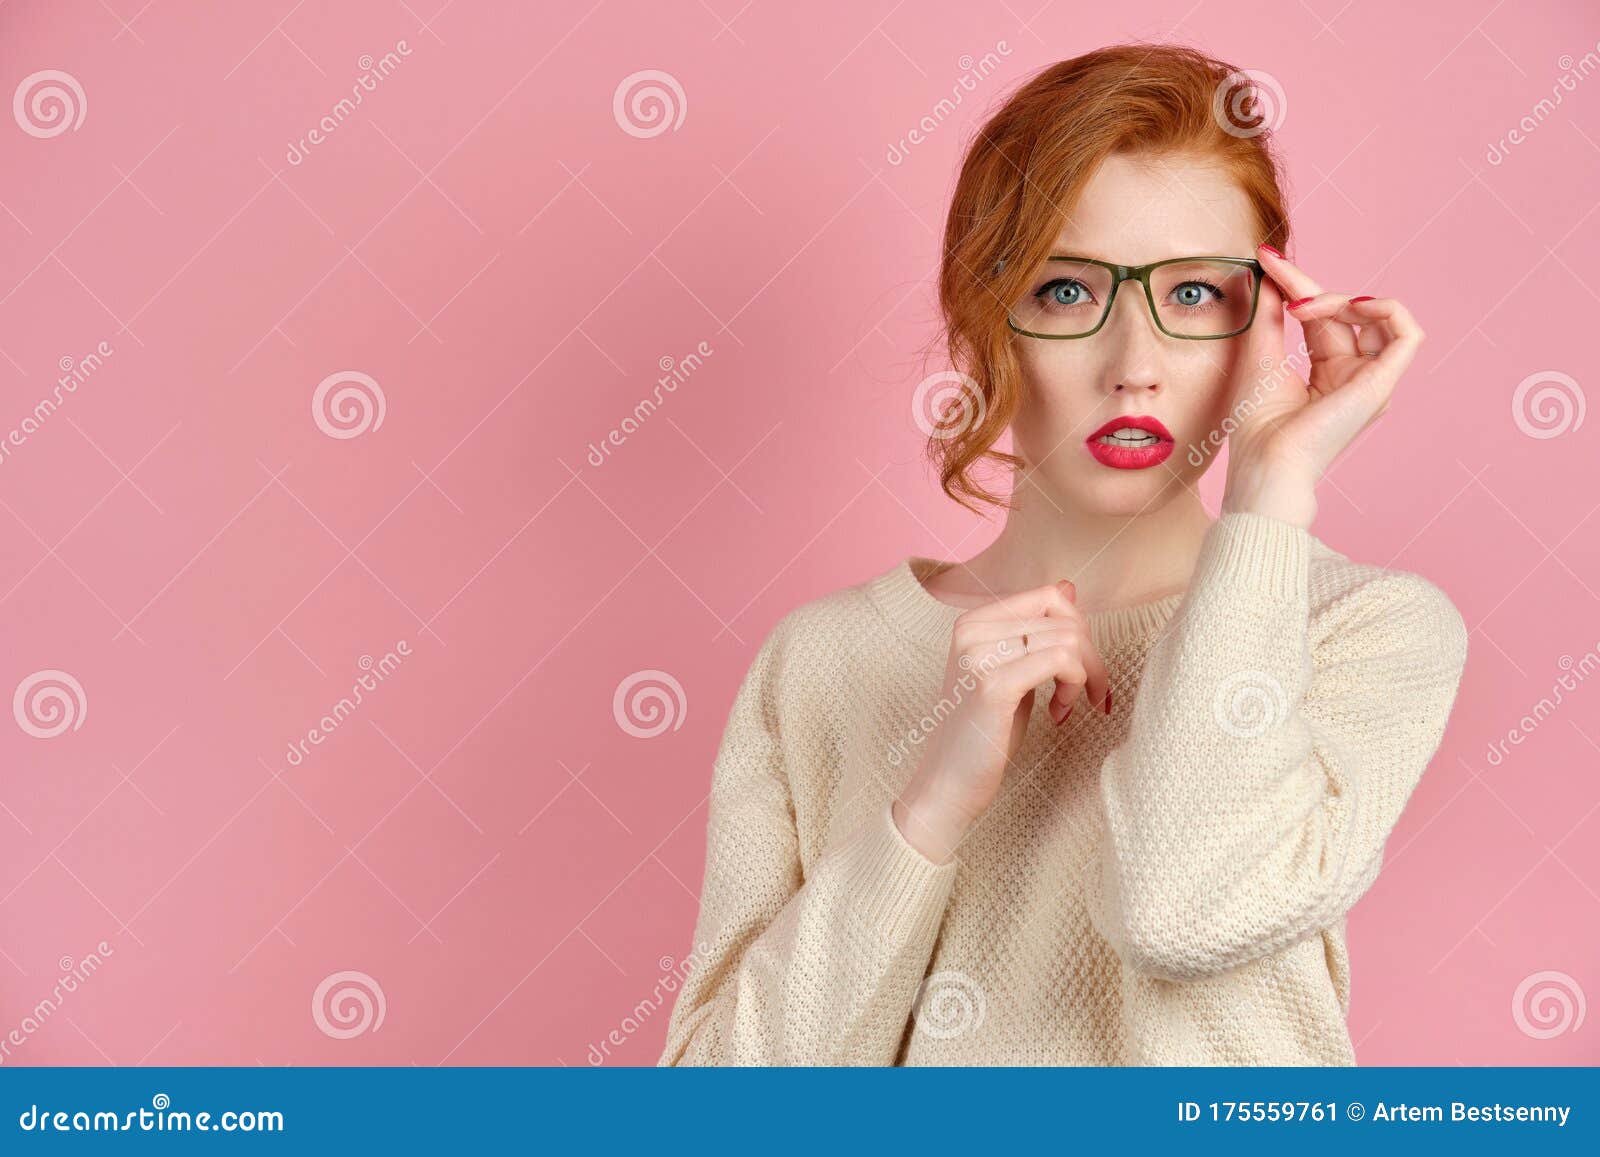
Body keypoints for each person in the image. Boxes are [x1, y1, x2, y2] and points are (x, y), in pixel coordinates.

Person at [656, 43, 1467, 1065]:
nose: (1134, 368)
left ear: (1266, 321)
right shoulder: (821, 660)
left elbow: (1186, 909)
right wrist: (925, 812)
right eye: (1067, 293)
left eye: (1193, 296)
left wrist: (1268, 496)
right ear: (978, 313)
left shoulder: (1358, 626)